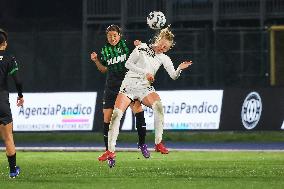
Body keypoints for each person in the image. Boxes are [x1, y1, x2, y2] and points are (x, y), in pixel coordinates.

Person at [98, 26, 193, 165]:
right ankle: (110, 151)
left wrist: (179, 69)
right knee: (117, 114)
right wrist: (145, 73)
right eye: (162, 45)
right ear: (159, 39)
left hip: (144, 87)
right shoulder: (142, 47)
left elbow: (173, 76)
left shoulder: (164, 58)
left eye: (166, 48)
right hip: (129, 86)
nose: (163, 48)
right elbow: (128, 64)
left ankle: (158, 143)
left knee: (158, 106)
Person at [90, 25, 150, 158]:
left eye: (114, 35)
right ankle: (109, 151)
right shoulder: (105, 50)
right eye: (109, 36)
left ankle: (142, 144)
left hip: (128, 84)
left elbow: (139, 58)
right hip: (111, 86)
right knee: (107, 118)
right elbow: (104, 69)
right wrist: (96, 61)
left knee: (138, 110)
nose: (112, 38)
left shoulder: (127, 46)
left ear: (119, 35)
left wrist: (139, 47)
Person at [0, 28, 24, 178]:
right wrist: (20, 95)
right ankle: (13, 171)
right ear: (5, 43)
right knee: (8, 136)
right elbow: (18, 80)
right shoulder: (9, 58)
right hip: (1, 100)